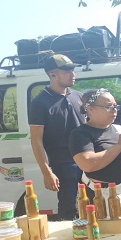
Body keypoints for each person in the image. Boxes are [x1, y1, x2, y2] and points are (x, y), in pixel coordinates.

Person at [29, 54, 86, 220]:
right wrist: (47, 172)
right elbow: (36, 140)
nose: (72, 74)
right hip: (63, 163)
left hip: (87, 159)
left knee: (93, 205)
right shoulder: (40, 102)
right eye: (67, 71)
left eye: (73, 70)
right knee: (68, 209)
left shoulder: (78, 96)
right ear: (52, 74)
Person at [69, 88, 121, 188]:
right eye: (108, 106)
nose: (114, 110)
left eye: (115, 106)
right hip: (101, 193)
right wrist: (119, 146)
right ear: (91, 109)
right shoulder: (80, 133)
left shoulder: (119, 129)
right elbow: (88, 164)